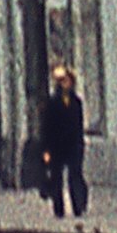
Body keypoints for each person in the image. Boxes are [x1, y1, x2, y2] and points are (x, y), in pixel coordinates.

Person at [35, 64, 88, 219]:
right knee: (56, 177)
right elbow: (46, 127)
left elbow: (79, 126)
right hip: (56, 147)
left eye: (68, 81)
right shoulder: (52, 103)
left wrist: (80, 145)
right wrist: (45, 150)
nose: (66, 84)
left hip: (73, 146)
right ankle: (59, 209)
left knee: (75, 176)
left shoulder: (76, 102)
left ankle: (78, 206)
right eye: (62, 81)